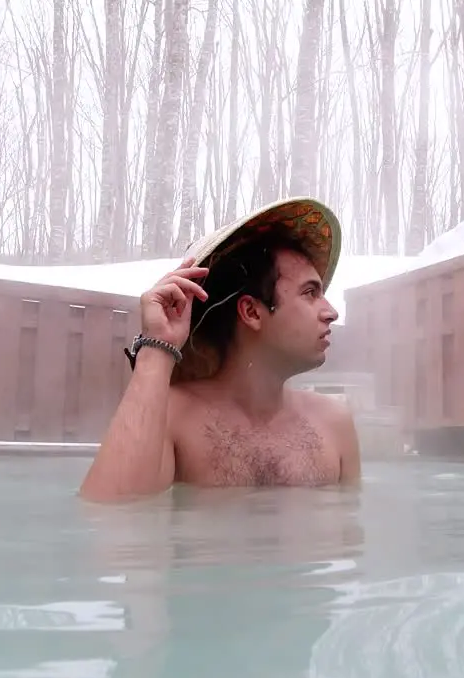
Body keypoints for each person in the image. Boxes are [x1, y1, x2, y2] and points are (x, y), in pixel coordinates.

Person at [79, 196, 362, 502]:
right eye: (310, 293)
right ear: (252, 313)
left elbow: (349, 538)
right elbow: (111, 514)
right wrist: (156, 347)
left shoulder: (334, 423)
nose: (331, 311)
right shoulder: (174, 415)